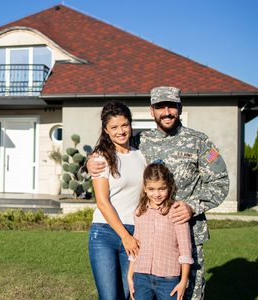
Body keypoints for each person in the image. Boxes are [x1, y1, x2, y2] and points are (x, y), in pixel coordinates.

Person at [86, 86, 229, 300]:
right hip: (148, 235)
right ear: (152, 111)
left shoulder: (199, 142)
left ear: (180, 108)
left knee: (188, 294)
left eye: (172, 106)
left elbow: (221, 182)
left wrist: (192, 207)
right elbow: (112, 149)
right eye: (160, 107)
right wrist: (88, 162)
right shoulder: (141, 141)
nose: (167, 112)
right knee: (142, 292)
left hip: (187, 234)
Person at [88, 101, 147, 300]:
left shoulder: (142, 156)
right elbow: (102, 202)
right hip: (105, 234)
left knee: (128, 294)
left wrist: (133, 236)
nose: (120, 131)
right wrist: (125, 236)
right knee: (109, 297)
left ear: (130, 124)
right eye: (114, 127)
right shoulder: (101, 158)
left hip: (135, 233)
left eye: (124, 125)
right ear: (106, 130)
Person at [127, 162, 194, 300]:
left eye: (162, 189)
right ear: (144, 188)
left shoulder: (176, 212)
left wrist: (183, 282)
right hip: (141, 278)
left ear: (169, 187)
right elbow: (136, 246)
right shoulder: (139, 212)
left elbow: (185, 250)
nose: (156, 194)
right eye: (151, 189)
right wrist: (130, 275)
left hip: (168, 280)